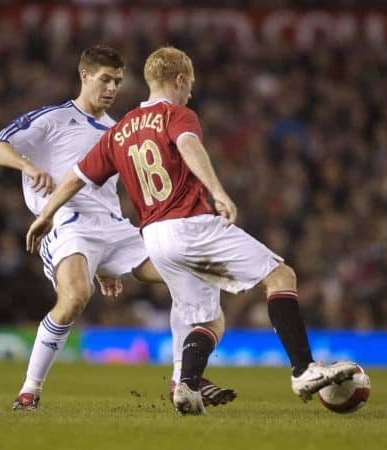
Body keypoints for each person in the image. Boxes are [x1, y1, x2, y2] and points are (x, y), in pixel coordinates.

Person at [25, 46, 357, 416]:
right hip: (191, 224)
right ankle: (303, 369)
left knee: (207, 319)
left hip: (155, 238)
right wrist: (217, 192)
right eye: (190, 85)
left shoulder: (118, 131)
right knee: (281, 275)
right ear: (180, 80)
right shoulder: (176, 114)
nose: (191, 93)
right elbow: (188, 146)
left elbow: (75, 177)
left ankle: (186, 383)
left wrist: (45, 214)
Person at [0, 45, 235, 411]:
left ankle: (182, 379)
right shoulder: (53, 119)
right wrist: (27, 167)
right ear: (84, 75)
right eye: (105, 79)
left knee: (186, 271)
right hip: (68, 224)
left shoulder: (118, 130)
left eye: (118, 81)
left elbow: (110, 190)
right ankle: (29, 390)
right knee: (73, 298)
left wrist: (107, 260)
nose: (113, 88)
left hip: (113, 229)